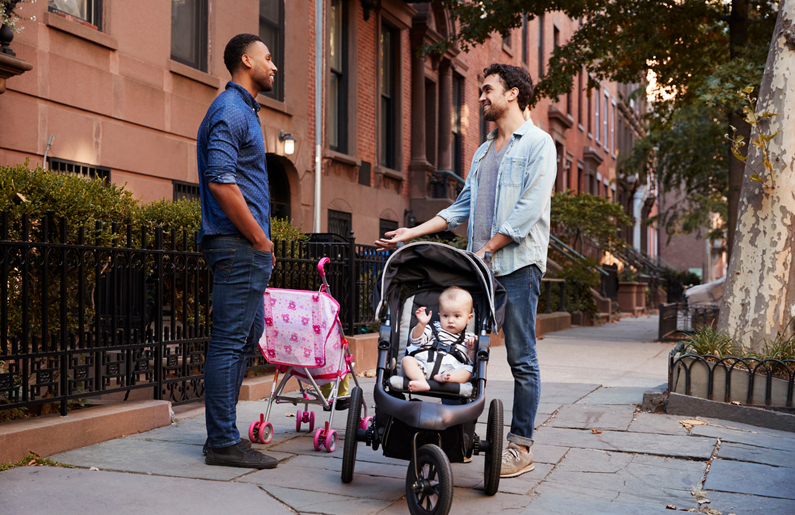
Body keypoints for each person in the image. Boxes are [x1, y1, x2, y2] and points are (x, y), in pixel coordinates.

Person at [376, 63, 556, 478]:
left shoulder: (539, 144)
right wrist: (410, 233)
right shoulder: (481, 151)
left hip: (516, 265)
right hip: (482, 267)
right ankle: (454, 430)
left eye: (487, 89)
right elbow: (460, 209)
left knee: (521, 356)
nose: (480, 97)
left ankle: (520, 445)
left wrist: (489, 248)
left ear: (513, 93)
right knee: (467, 348)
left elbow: (528, 211)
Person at [198, 33, 279, 469]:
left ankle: (222, 436)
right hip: (238, 246)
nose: (274, 65)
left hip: (243, 248)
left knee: (244, 339)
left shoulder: (242, 110)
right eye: (268, 58)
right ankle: (224, 442)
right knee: (230, 343)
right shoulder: (231, 110)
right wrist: (260, 239)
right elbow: (220, 180)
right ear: (246, 61)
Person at [402, 286, 477, 392]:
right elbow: (416, 341)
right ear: (439, 315)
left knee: (469, 370)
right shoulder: (433, 328)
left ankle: (448, 378)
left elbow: (471, 362)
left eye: (456, 316)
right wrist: (421, 325)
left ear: (469, 318)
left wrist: (471, 350)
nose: (450, 320)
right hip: (423, 365)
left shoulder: (469, 338)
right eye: (445, 316)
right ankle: (421, 381)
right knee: (407, 360)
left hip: (451, 370)